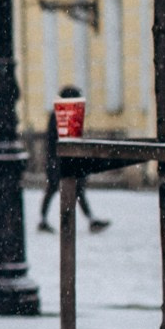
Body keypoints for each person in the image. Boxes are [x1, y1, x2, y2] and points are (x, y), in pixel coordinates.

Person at [38, 86, 109, 234]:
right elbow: (58, 141)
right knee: (58, 189)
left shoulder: (61, 115)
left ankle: (87, 220)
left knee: (72, 190)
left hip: (63, 160)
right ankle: (46, 220)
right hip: (60, 160)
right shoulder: (60, 116)